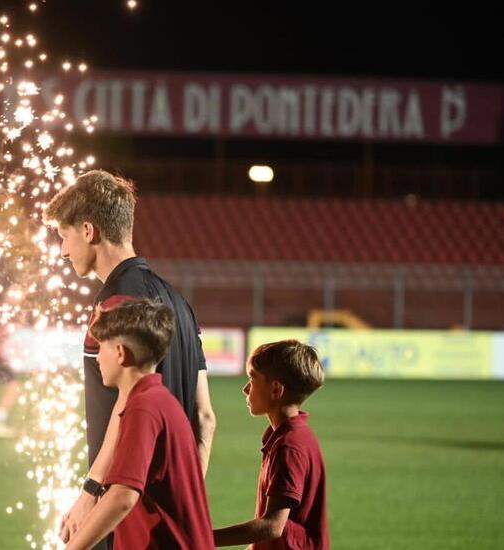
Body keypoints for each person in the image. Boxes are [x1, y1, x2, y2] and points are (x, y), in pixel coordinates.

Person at [44, 169, 217, 547]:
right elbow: (205, 417)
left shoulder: (115, 306)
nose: (62, 250)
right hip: (166, 516)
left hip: (124, 508)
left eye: (64, 236)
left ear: (88, 231)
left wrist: (90, 492)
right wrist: (183, 500)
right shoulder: (180, 303)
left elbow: (126, 407)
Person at [66, 299, 213, 550]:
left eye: (101, 348)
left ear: (120, 353)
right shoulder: (156, 400)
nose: (98, 358)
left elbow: (123, 496)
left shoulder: (144, 408)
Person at [213, 340, 329, 549]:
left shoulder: (290, 446)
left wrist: (200, 538)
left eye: (252, 378)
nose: (245, 389)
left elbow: (273, 526)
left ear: (275, 389)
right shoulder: (285, 437)